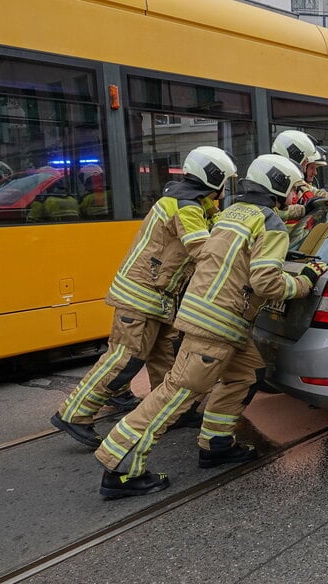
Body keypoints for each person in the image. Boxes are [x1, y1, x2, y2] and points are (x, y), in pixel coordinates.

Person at [94, 154, 328, 499]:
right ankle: (120, 465)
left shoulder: (233, 212)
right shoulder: (270, 226)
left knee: (245, 374)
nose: (295, 197)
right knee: (178, 393)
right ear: (279, 187)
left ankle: (216, 444)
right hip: (218, 323)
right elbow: (267, 283)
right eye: (294, 190)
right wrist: (305, 281)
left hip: (207, 315)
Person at [51, 147, 236, 448]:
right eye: (225, 181)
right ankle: (74, 413)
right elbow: (202, 250)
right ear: (213, 179)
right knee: (124, 358)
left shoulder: (187, 201)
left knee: (167, 359)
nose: (226, 189)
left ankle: (174, 412)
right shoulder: (186, 206)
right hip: (142, 297)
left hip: (157, 298)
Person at [271, 130, 328, 204]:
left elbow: (317, 193)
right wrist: (304, 209)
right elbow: (276, 211)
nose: (305, 167)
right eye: (304, 160)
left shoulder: (292, 182)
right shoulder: (275, 183)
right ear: (294, 157)